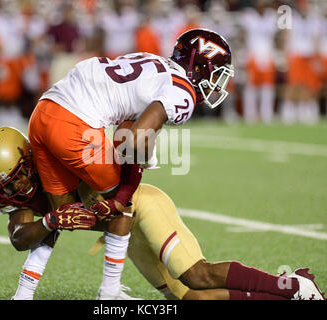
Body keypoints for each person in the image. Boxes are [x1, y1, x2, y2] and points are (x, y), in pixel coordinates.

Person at [0, 126, 327, 300]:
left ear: (29, 160)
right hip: (121, 233)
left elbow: (116, 180)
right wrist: (52, 221)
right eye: (4, 182)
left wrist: (108, 286)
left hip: (138, 208)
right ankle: (289, 289)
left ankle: (297, 287)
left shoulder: (57, 161)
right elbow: (21, 238)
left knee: (197, 276)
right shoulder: (14, 195)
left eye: (18, 175)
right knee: (192, 299)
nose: (13, 187)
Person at [27, 28, 234, 299]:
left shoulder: (152, 60)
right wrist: (127, 188)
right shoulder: (181, 91)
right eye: (216, 73)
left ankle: (23, 294)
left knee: (63, 214)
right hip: (75, 125)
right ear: (199, 67)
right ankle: (110, 291)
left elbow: (127, 129)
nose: (217, 82)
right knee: (125, 207)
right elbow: (135, 139)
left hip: (43, 112)